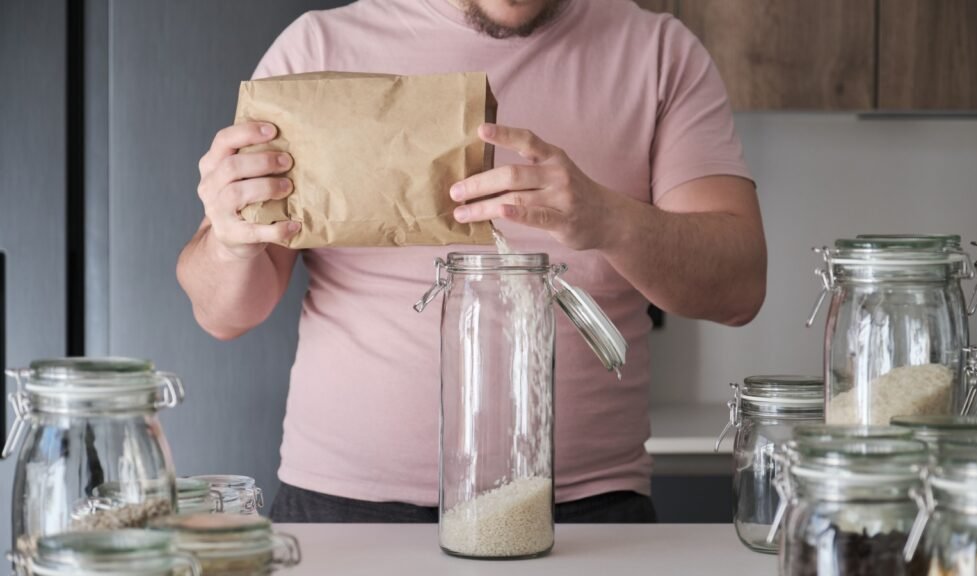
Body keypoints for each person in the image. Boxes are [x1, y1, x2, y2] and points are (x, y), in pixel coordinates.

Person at [177, 0, 767, 523]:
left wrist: (608, 219)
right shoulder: (316, 50)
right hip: (344, 509)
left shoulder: (659, 54)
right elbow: (225, 314)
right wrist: (230, 242)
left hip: (587, 512)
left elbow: (740, 287)